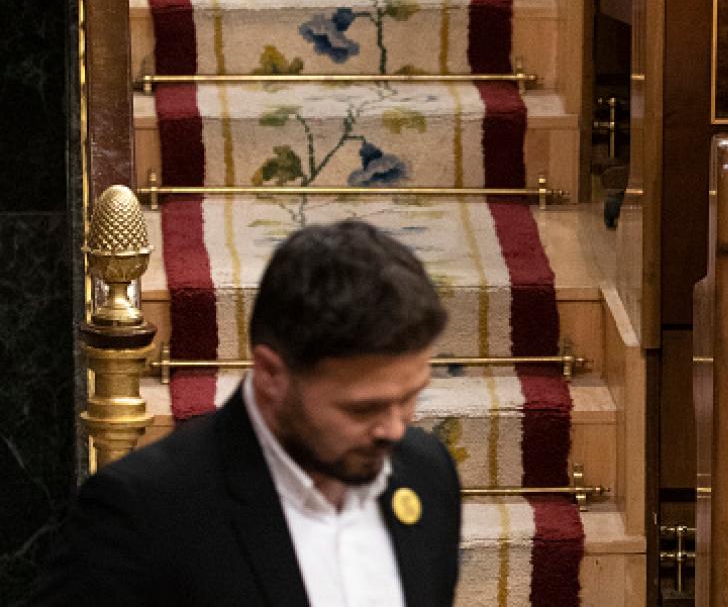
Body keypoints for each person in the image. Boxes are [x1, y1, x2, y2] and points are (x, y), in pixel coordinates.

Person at [39, 220, 460, 606]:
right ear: (271, 374)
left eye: (409, 397)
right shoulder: (144, 513)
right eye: (361, 408)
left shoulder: (427, 474)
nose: (393, 429)